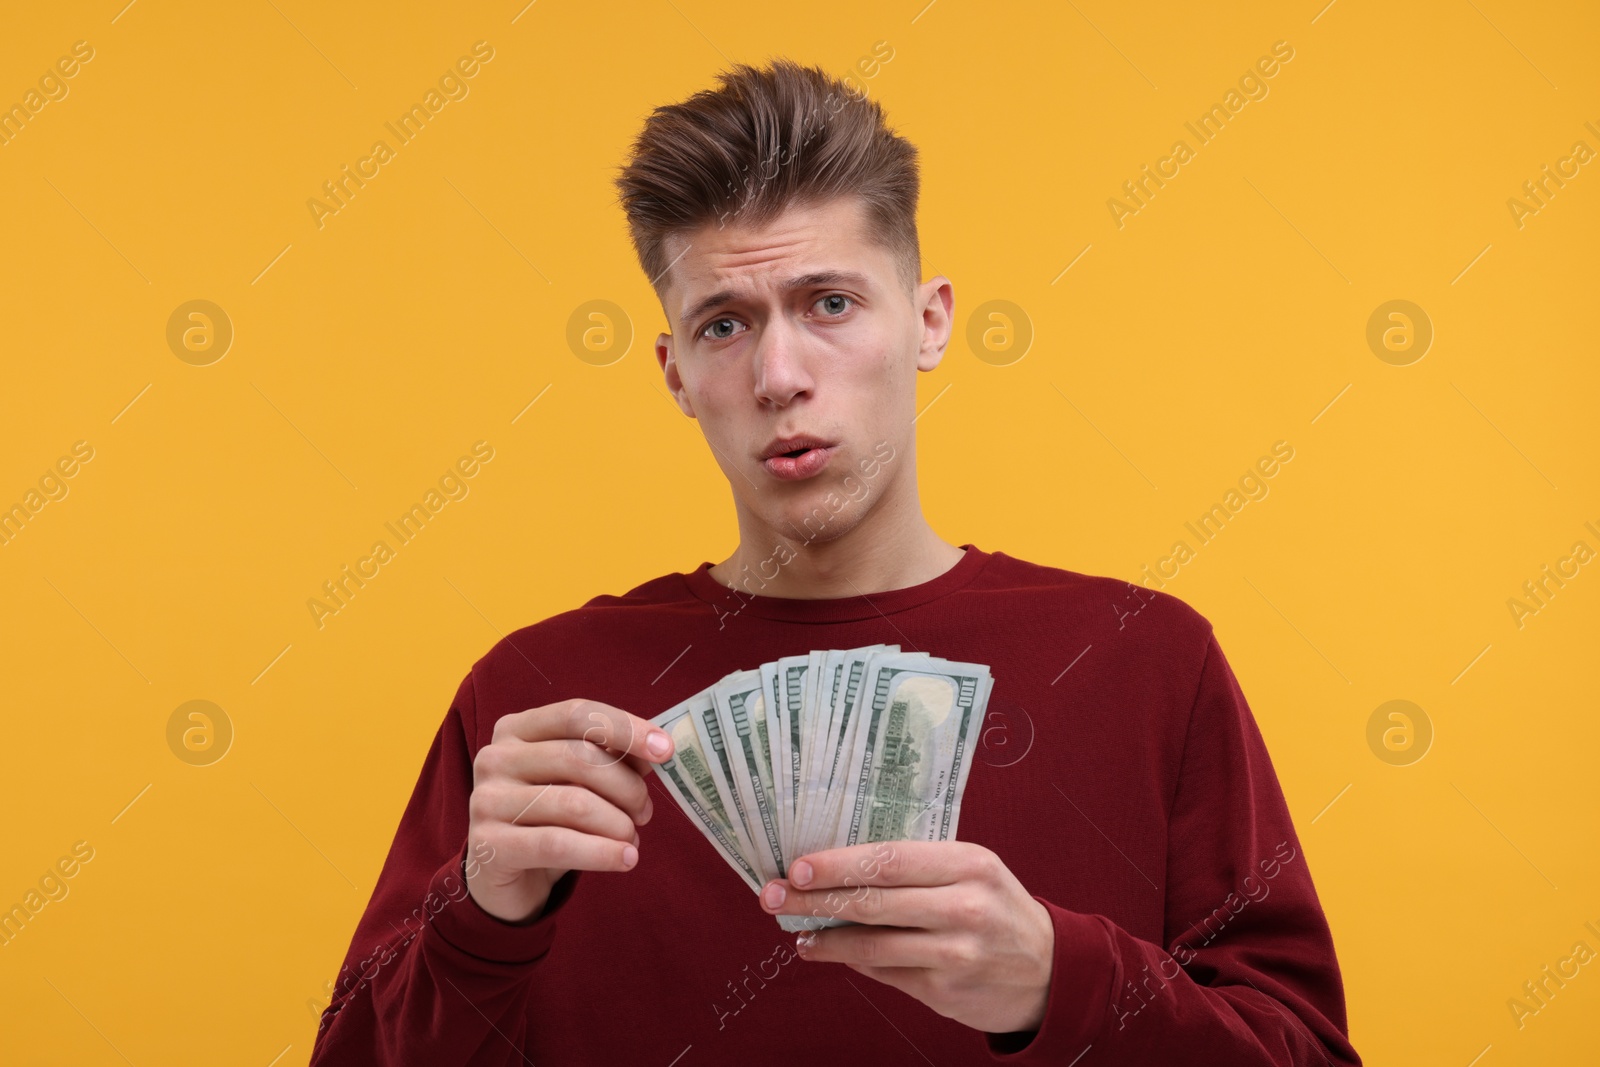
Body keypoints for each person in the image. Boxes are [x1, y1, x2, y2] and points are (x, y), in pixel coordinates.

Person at [309, 58, 1360, 1066]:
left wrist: (1060, 979)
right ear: (675, 373)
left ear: (930, 320)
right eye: (724, 324)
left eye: (829, 303)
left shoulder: (1148, 661)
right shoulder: (534, 698)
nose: (778, 374)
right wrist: (482, 916)